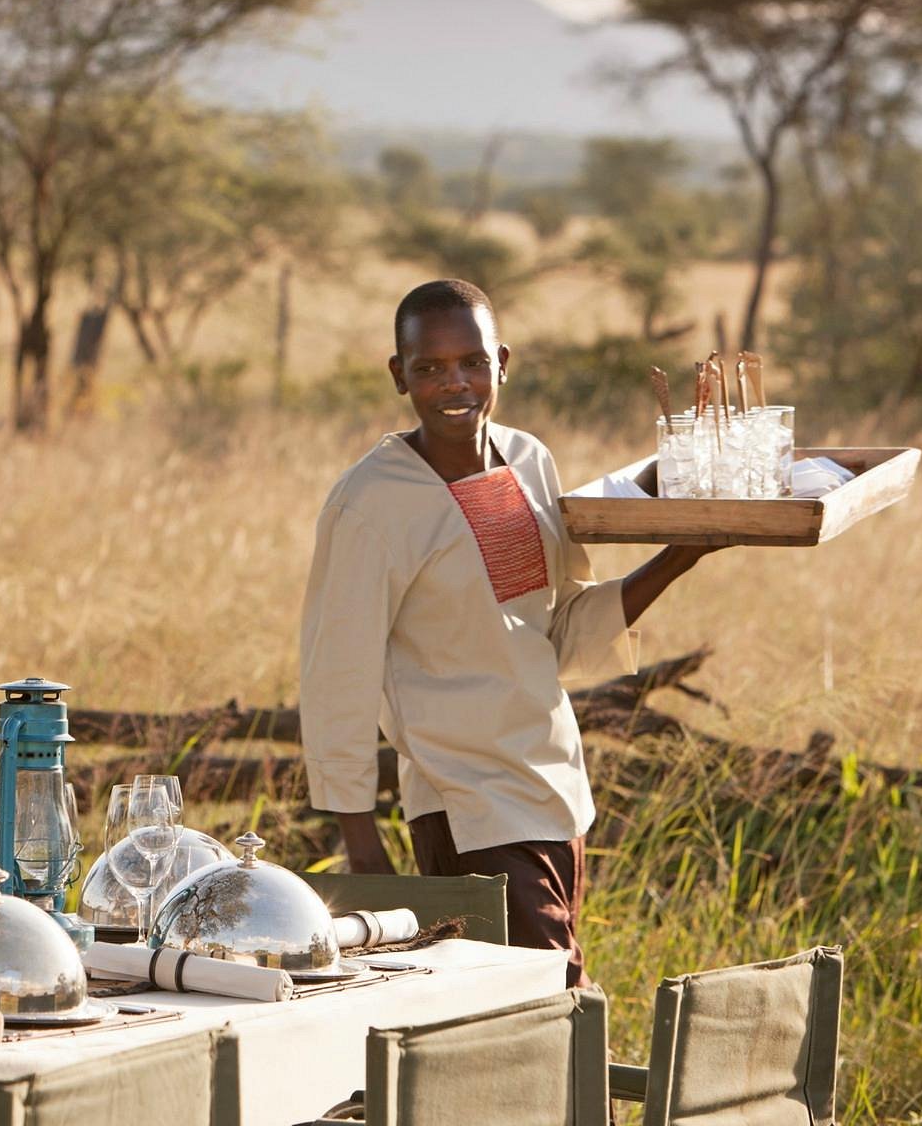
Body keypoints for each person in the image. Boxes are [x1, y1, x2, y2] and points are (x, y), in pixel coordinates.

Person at [298, 279, 716, 986]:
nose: (454, 383)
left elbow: (561, 631)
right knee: (552, 1001)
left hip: (554, 788)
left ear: (503, 363)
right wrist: (363, 849)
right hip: (466, 802)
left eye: (472, 362)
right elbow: (336, 676)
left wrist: (683, 554)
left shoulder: (529, 462)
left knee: (536, 1008)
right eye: (429, 367)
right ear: (399, 375)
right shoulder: (370, 503)